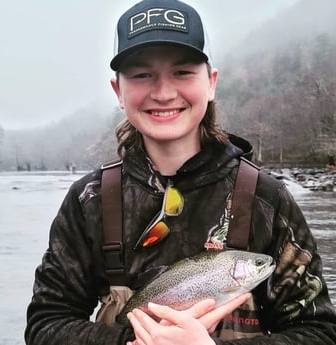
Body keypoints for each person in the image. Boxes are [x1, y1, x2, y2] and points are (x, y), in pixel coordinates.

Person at [25, 0, 336, 344]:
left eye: (183, 72)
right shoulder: (90, 200)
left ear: (211, 83)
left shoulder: (267, 198)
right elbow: (45, 325)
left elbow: (320, 333)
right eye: (142, 75)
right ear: (119, 91)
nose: (163, 92)